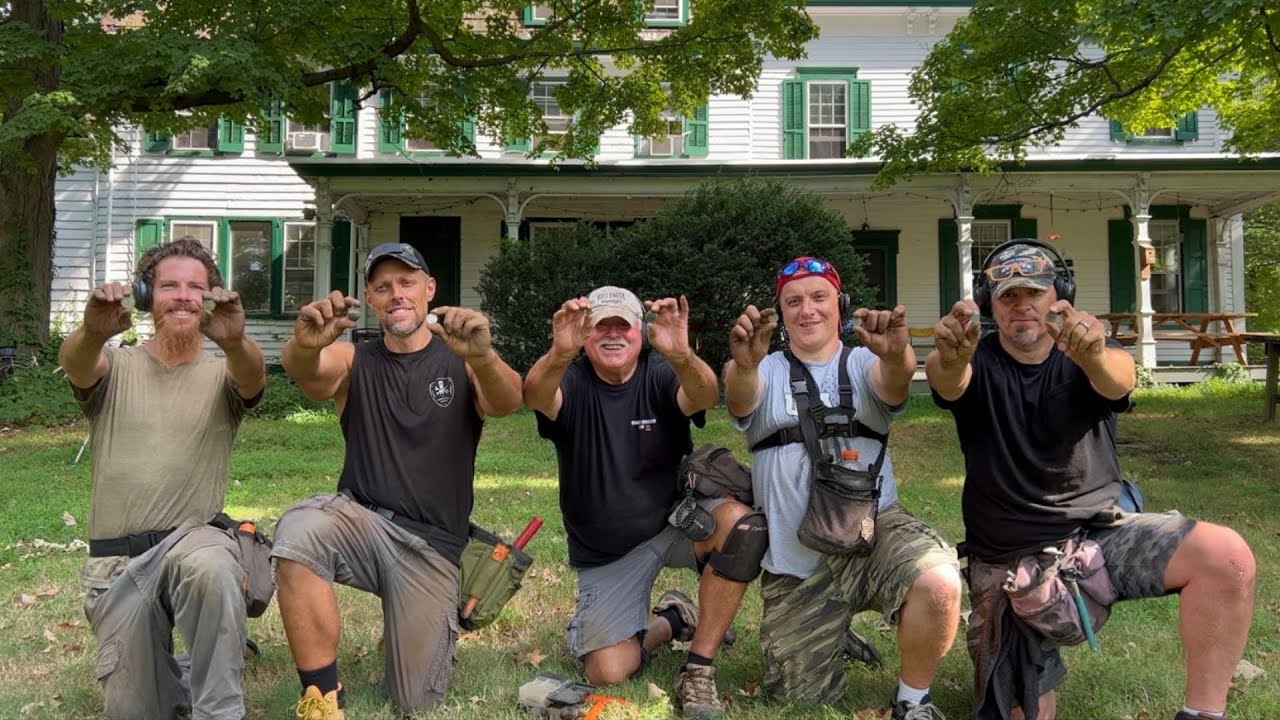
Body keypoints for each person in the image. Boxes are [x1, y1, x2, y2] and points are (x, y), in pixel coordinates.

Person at [926, 240, 1257, 720]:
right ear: (987, 304)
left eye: (1034, 293)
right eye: (1008, 296)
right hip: (1010, 560)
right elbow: (946, 378)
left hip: (1101, 535)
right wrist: (953, 356)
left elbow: (1118, 380)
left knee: (1226, 557)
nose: (1022, 306)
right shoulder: (977, 360)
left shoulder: (1088, 351)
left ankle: (1203, 712)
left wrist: (1093, 354)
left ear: (1059, 294)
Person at [271, 242, 523, 719]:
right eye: (383, 287)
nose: (396, 294)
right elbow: (308, 373)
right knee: (299, 533)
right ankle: (323, 695)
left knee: (414, 700)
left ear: (429, 290)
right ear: (370, 298)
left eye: (406, 283)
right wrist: (305, 343)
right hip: (362, 524)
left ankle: (414, 621)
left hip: (433, 547)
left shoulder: (463, 358)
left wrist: (485, 357)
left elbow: (508, 401)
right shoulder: (353, 360)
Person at [724, 256, 962, 720]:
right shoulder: (763, 368)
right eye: (794, 301)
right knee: (798, 700)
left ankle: (912, 702)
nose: (807, 310)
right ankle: (833, 629)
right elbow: (739, 392)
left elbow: (894, 381)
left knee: (939, 581)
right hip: (798, 560)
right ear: (781, 312)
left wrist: (896, 355)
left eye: (819, 297)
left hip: (874, 532)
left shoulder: (866, 361)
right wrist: (745, 363)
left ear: (840, 303)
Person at [523, 286, 757, 720]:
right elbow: (536, 395)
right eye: (601, 326)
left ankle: (699, 666)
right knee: (607, 672)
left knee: (741, 527)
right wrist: (558, 353)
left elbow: (704, 396)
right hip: (608, 550)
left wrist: (681, 355)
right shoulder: (569, 378)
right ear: (585, 335)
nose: (613, 335)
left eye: (623, 325)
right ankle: (671, 619)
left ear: (640, 333)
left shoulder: (660, 370)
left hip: (675, 523)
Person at [59, 236, 267, 720]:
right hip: (118, 566)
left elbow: (253, 377)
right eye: (168, 284)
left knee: (213, 566)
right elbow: (77, 364)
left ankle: (220, 709)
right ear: (145, 294)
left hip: (194, 544)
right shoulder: (117, 364)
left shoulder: (222, 373)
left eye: (196, 287)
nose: (183, 295)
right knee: (141, 710)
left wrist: (235, 340)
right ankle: (192, 662)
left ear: (212, 298)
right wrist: (92, 332)